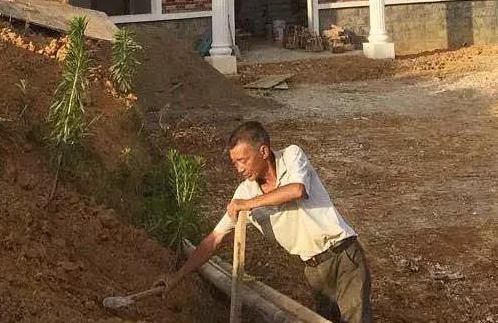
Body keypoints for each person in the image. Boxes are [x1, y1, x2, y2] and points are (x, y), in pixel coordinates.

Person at [157, 120, 372, 323]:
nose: (239, 169)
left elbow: (297, 190)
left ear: (263, 151)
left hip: (344, 256)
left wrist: (249, 204)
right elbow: (214, 238)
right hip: (314, 269)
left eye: (243, 160)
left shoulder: (291, 156)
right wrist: (177, 277)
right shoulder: (245, 192)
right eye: (235, 163)